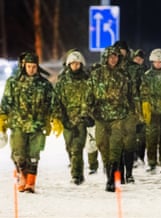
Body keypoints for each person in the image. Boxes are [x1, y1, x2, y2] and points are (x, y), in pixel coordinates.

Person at [0, 52, 53, 193]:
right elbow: (6, 102)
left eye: (34, 66)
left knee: (34, 155)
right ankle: (21, 175)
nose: (31, 69)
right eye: (29, 66)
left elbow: (51, 104)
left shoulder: (45, 84)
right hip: (18, 124)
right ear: (24, 66)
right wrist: (2, 117)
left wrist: (52, 120)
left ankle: (30, 182)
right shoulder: (13, 82)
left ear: (37, 67)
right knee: (19, 155)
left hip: (38, 125)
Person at [87, 46, 130, 192]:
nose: (113, 59)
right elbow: (89, 95)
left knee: (116, 146)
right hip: (100, 116)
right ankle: (109, 169)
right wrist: (87, 112)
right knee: (101, 144)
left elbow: (130, 95)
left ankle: (112, 179)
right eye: (111, 56)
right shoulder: (96, 75)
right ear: (105, 58)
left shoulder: (123, 75)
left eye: (116, 56)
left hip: (118, 116)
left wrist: (133, 112)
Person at [52, 50, 91, 185]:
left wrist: (87, 114)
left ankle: (77, 175)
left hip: (81, 119)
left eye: (78, 63)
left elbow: (91, 98)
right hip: (67, 119)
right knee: (69, 146)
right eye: (73, 63)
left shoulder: (87, 79)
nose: (75, 66)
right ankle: (75, 167)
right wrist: (57, 117)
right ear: (69, 64)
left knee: (77, 147)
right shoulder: (63, 81)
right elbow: (56, 99)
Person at [114, 41, 143, 184]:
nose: (121, 52)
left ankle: (129, 173)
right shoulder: (110, 68)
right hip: (114, 111)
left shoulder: (135, 69)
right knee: (117, 143)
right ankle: (119, 172)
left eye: (123, 50)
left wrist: (141, 111)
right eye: (118, 50)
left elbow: (142, 89)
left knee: (129, 143)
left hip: (131, 110)